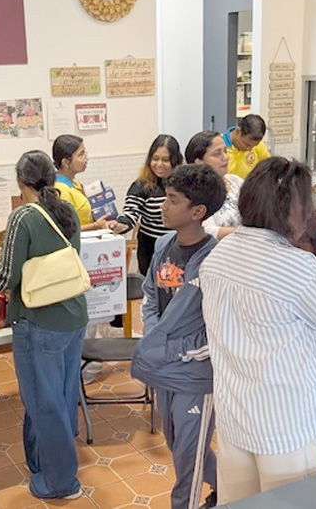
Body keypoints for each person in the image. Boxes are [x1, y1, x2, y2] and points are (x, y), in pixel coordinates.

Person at [200, 158, 316, 504]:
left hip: (235, 411)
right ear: (293, 211)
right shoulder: (296, 267)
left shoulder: (217, 256)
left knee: (238, 500)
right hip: (285, 421)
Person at [0, 151, 88, 500]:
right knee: (63, 395)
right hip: (73, 316)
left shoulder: (23, 216)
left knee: (44, 402)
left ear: (20, 182)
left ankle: (60, 482)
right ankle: (44, 462)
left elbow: (5, 277)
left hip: (38, 321)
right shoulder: (66, 209)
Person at [131, 164, 226, 509]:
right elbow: (151, 295)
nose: (162, 206)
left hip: (196, 372)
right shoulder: (163, 244)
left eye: (172, 201)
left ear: (197, 212)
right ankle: (228, 486)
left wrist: (166, 348)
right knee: (180, 444)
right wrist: (156, 339)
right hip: (163, 363)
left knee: (189, 453)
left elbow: (211, 328)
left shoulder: (215, 260)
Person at [113, 134, 185, 275]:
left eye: (165, 160)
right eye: (155, 159)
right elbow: (130, 213)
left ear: (175, 161)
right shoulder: (141, 185)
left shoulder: (184, 185)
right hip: (150, 250)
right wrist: (117, 225)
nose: (159, 164)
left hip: (179, 246)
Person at [186, 131, 243, 240]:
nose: (225, 157)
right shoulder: (193, 193)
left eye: (225, 151)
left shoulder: (236, 182)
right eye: (217, 153)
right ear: (199, 162)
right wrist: (246, 233)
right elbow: (205, 230)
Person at [52, 134, 115, 231]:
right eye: (81, 155)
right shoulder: (61, 190)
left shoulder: (74, 182)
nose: (86, 159)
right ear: (66, 162)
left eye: (85, 153)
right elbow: (65, 230)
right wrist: (95, 225)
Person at [223, 114, 271, 179]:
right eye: (246, 144)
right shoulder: (220, 147)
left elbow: (268, 169)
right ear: (238, 132)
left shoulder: (259, 146)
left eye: (253, 146)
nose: (249, 149)